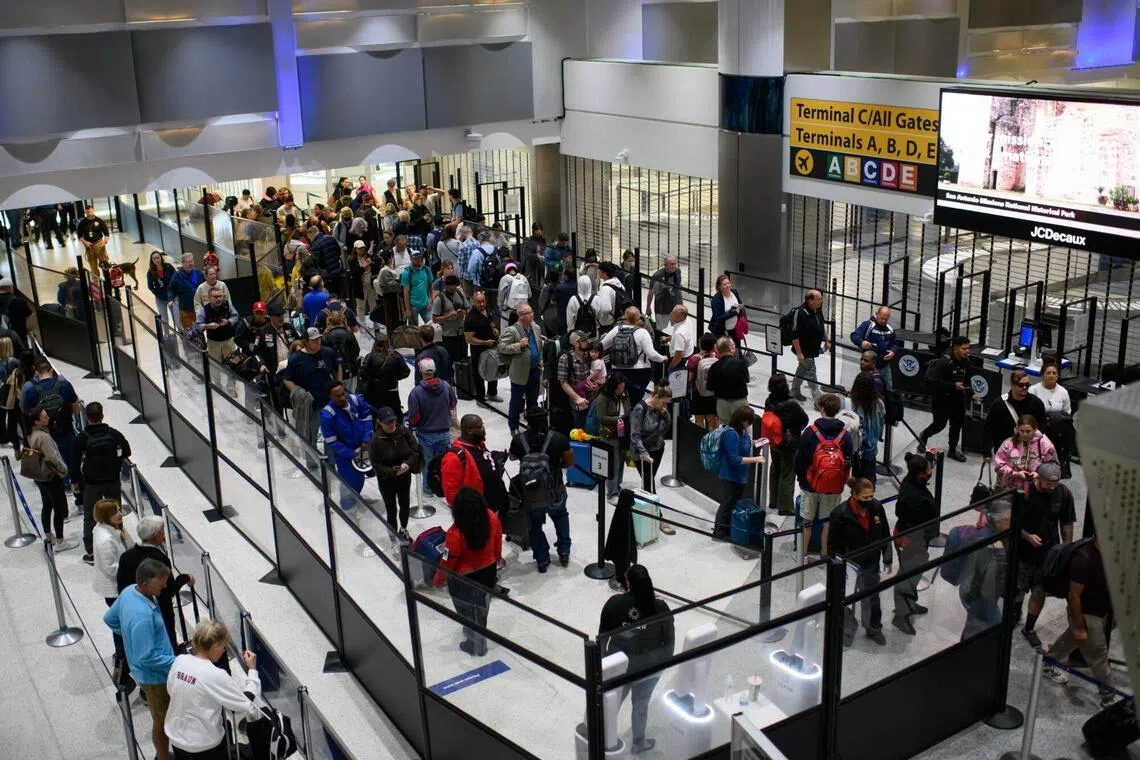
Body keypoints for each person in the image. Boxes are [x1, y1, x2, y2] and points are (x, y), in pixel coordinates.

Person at [598, 564, 675, 755]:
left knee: (611, 704)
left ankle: (602, 740)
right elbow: (669, 641)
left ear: (627, 582)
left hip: (618, 667)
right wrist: (661, 667)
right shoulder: (660, 607)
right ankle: (638, 743)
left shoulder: (614, 604)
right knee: (640, 706)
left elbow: (601, 638)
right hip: (647, 668)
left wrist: (604, 664)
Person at [104, 559, 176, 760]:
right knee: (161, 720)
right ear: (145, 583)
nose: (164, 586)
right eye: (161, 583)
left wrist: (130, 639)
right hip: (156, 676)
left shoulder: (129, 591)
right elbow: (147, 656)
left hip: (152, 668)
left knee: (161, 717)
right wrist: (177, 662)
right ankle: (162, 757)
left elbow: (109, 618)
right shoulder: (142, 615)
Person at [165, 619, 260, 760]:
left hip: (177, 739)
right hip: (205, 746)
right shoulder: (215, 674)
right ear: (215, 645)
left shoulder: (180, 661)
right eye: (223, 647)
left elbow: (171, 690)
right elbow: (244, 703)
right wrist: (252, 670)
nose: (223, 652)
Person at [1041, 534, 1119, 707]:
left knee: (1074, 639)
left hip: (1103, 608)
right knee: (1098, 654)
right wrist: (1079, 626)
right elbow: (1073, 596)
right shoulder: (1082, 560)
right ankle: (1109, 697)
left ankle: (1049, 661)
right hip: (1086, 612)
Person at [432, 487, 502, 656]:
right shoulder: (491, 518)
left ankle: (476, 645)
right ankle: (478, 634)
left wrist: (438, 580)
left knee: (466, 611)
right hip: (488, 571)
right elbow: (498, 541)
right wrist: (497, 558)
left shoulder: (455, 534)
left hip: (464, 579)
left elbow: (448, 563)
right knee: (482, 607)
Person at [822, 477, 892, 646]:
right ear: (854, 494)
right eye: (865, 497)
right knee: (846, 602)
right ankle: (846, 632)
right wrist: (836, 566)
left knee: (873, 598)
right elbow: (833, 544)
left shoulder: (876, 508)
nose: (869, 500)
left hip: (871, 563)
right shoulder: (839, 514)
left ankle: (873, 628)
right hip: (850, 566)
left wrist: (887, 557)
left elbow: (885, 533)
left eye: (871, 496)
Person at [1014, 462, 1074, 650]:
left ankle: (1029, 628)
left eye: (1055, 483)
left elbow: (1067, 524)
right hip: (1022, 552)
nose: (1052, 487)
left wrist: (1066, 551)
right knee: (1018, 589)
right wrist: (1027, 536)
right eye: (1048, 483)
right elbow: (1010, 521)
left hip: (1048, 554)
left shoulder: (1063, 494)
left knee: (1039, 592)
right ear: (1038, 478)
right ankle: (1014, 617)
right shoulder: (1024, 492)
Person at [509, 407, 574, 571]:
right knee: (560, 517)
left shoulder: (519, 440)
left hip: (531, 493)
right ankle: (564, 552)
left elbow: (512, 457)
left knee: (534, 526)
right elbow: (569, 462)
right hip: (555, 489)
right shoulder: (559, 439)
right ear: (546, 420)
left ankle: (542, 560)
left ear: (527, 422)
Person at [117, 516, 194, 651]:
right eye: (163, 530)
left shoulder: (126, 556)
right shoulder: (160, 559)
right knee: (168, 642)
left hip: (134, 611)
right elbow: (168, 590)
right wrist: (184, 578)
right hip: (161, 613)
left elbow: (121, 587)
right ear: (157, 535)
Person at [71, 402, 131, 560]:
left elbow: (74, 462)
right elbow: (127, 450)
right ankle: (119, 542)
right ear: (102, 416)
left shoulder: (82, 438)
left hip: (92, 483)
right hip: (112, 480)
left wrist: (74, 480)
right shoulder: (113, 434)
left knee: (90, 516)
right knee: (115, 512)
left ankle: (91, 551)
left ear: (86, 417)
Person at [795, 394, 854, 554]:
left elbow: (801, 460)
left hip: (810, 485)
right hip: (833, 486)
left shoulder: (810, 432)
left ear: (821, 408)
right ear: (837, 411)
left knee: (807, 522)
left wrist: (802, 480)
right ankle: (824, 553)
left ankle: (803, 555)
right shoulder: (845, 435)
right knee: (828, 522)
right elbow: (848, 461)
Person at [891, 453, 937, 635]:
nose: (931, 471)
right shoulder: (913, 497)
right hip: (911, 539)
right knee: (906, 576)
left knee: (914, 573)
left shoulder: (913, 481)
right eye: (928, 470)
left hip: (918, 538)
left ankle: (910, 602)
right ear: (920, 474)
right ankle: (900, 616)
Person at [92, 498, 136, 689]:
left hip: (118, 587)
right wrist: (130, 564)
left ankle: (122, 661)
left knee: (121, 630)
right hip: (114, 590)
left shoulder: (109, 530)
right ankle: (123, 675)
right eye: (115, 512)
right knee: (121, 632)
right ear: (105, 517)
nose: (120, 513)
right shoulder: (105, 540)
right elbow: (111, 568)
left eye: (118, 510)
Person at [24, 407, 78, 551]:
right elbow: (53, 457)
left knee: (47, 505)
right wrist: (64, 469)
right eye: (44, 416)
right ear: (37, 421)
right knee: (59, 508)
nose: (48, 418)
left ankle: (48, 535)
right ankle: (60, 541)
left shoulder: (31, 434)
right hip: (51, 477)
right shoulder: (43, 437)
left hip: (40, 476)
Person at [959, 501, 1010, 640]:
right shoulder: (989, 545)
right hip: (979, 596)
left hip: (977, 592)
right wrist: (1001, 556)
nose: (1011, 523)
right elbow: (989, 587)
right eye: (1008, 520)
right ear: (998, 521)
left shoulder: (994, 534)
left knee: (976, 626)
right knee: (979, 628)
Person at [370, 407, 423, 542]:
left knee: (405, 505)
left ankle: (403, 529)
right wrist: (393, 472)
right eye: (388, 422)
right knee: (391, 509)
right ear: (380, 422)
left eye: (393, 421)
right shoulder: (376, 440)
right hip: (387, 480)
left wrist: (407, 464)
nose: (391, 424)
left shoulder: (403, 432)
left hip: (404, 476)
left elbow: (415, 451)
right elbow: (376, 465)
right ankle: (393, 537)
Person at [917, 336, 973, 462]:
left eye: (968, 348)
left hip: (958, 399)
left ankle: (952, 451)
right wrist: (953, 385)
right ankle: (924, 436)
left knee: (957, 425)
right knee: (939, 425)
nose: (967, 351)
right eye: (964, 348)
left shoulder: (966, 362)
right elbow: (935, 382)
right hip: (942, 399)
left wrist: (971, 393)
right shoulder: (943, 362)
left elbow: (967, 380)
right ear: (956, 348)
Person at [408, 357, 457, 501]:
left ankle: (428, 490)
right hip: (444, 432)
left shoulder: (416, 393)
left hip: (426, 435)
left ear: (420, 371)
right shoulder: (447, 386)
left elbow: (413, 417)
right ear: (434, 370)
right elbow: (453, 404)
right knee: (445, 462)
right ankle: (443, 485)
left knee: (427, 465)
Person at [283, 328, 341, 447]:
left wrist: (338, 384)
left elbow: (338, 367)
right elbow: (287, 379)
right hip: (310, 406)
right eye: (314, 340)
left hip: (329, 403)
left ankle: (330, 463)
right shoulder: (296, 359)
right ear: (305, 341)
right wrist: (298, 392)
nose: (318, 342)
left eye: (319, 339)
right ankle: (312, 464)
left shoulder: (328, 352)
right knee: (310, 437)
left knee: (331, 435)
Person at [320, 380, 373, 511]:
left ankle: (356, 498)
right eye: (337, 396)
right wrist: (351, 454)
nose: (342, 398)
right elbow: (332, 442)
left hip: (363, 449)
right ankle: (347, 509)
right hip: (345, 456)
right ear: (330, 397)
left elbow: (367, 419)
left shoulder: (356, 401)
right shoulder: (327, 415)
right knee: (348, 482)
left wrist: (366, 439)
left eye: (343, 393)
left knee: (360, 478)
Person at [713, 406, 765, 539]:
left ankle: (729, 529)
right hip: (730, 476)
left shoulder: (743, 431)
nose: (750, 425)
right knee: (727, 504)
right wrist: (755, 459)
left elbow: (743, 444)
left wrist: (754, 443)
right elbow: (735, 459)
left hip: (740, 476)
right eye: (749, 422)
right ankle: (719, 532)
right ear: (742, 420)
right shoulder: (730, 433)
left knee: (733, 504)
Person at [602, 306, 666, 408]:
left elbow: (602, 346)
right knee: (635, 400)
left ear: (625, 317)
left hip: (618, 371)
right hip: (639, 372)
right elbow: (651, 354)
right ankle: (634, 417)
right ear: (639, 317)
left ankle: (622, 419)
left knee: (620, 400)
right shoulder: (642, 332)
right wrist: (662, 358)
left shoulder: (616, 330)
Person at [764, 374, 808, 516]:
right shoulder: (792, 404)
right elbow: (804, 419)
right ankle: (786, 506)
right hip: (789, 443)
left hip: (774, 441)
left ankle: (773, 501)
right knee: (787, 474)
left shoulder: (769, 401)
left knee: (775, 469)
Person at [498, 303, 543, 435]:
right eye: (529, 313)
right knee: (516, 401)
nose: (532, 315)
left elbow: (539, 346)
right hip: (519, 372)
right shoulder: (512, 330)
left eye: (532, 312)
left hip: (535, 370)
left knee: (533, 400)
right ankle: (513, 426)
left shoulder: (536, 328)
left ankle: (532, 424)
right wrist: (519, 345)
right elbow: (502, 347)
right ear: (521, 316)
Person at [984, 369, 1048, 461]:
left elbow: (1042, 427)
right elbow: (989, 428)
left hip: (1029, 452)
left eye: (1027, 385)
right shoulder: (999, 404)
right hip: (1005, 451)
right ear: (1012, 385)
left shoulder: (1037, 403)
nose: (1025, 387)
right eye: (1021, 385)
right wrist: (986, 452)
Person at [630, 385, 673, 507]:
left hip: (658, 449)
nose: (665, 406)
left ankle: (645, 509)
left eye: (667, 404)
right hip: (643, 453)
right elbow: (635, 436)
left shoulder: (661, 408)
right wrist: (644, 453)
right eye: (664, 403)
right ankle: (658, 516)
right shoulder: (640, 409)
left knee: (648, 481)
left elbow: (667, 426)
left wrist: (665, 414)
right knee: (649, 484)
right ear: (656, 397)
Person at [1031, 361, 1075, 477]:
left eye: (1054, 373)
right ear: (1042, 374)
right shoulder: (1034, 390)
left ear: (1058, 375)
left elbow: (1067, 412)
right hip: (1039, 432)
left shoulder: (1063, 392)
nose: (1051, 375)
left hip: (1057, 434)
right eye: (1048, 373)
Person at [994, 415, 1057, 496]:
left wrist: (1039, 474)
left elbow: (1054, 467)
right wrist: (1015, 473)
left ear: (1035, 430)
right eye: (1021, 431)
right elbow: (998, 465)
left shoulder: (1045, 444)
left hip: (1035, 490)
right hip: (1009, 490)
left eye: (1028, 431)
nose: (1024, 434)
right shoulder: (1009, 443)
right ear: (1017, 429)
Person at [595, 374, 632, 503]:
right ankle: (611, 494)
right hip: (609, 434)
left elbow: (628, 409)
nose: (621, 390)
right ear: (612, 387)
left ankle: (617, 487)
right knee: (613, 465)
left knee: (621, 462)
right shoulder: (602, 398)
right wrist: (619, 419)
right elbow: (601, 418)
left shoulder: (624, 394)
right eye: (619, 388)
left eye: (623, 387)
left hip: (623, 433)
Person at [789, 289, 830, 403]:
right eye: (819, 299)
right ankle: (819, 402)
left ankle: (794, 391)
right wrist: (799, 353)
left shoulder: (817, 310)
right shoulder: (800, 312)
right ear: (810, 300)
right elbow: (795, 335)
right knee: (812, 374)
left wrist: (826, 340)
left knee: (802, 370)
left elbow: (821, 326)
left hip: (813, 348)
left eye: (821, 299)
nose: (821, 301)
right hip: (804, 350)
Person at [358, 334, 409, 422]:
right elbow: (406, 372)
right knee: (394, 414)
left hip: (374, 392)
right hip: (391, 390)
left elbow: (362, 375)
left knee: (376, 415)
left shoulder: (370, 357)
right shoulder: (396, 356)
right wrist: (395, 377)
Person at [463, 290, 502, 403]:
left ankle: (492, 393)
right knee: (479, 373)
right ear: (473, 302)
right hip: (479, 350)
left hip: (492, 347)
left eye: (483, 301)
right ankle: (480, 398)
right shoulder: (471, 318)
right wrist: (484, 342)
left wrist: (496, 331)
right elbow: (469, 339)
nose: (481, 304)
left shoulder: (488, 310)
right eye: (479, 302)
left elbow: (492, 323)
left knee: (494, 369)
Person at [850, 306, 897, 392]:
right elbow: (854, 335)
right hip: (869, 368)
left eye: (886, 319)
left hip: (885, 366)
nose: (883, 321)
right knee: (867, 390)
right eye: (882, 318)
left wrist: (893, 351)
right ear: (877, 314)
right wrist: (862, 342)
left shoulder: (890, 329)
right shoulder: (868, 325)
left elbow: (893, 343)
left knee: (888, 390)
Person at [849, 371, 885, 481]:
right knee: (869, 478)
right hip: (872, 448)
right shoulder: (879, 403)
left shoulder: (853, 404)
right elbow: (881, 425)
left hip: (857, 449)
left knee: (857, 478)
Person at [708, 336, 750, 425]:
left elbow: (710, 387)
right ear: (731, 348)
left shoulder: (713, 367)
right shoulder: (741, 364)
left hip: (722, 403)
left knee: (725, 429)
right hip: (739, 402)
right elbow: (747, 379)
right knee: (743, 428)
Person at [433, 274, 471, 368]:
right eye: (450, 289)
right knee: (450, 364)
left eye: (454, 289)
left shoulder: (460, 294)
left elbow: (468, 309)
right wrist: (449, 316)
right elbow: (435, 319)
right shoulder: (439, 299)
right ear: (446, 286)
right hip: (448, 337)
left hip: (462, 336)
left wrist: (463, 312)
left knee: (463, 363)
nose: (453, 291)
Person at [195, 286, 240, 364]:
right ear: (209, 298)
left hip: (228, 341)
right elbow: (198, 325)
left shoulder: (227, 304)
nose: (219, 299)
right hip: (213, 343)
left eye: (220, 296)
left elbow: (235, 315)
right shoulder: (203, 310)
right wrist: (207, 326)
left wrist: (229, 321)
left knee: (232, 367)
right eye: (215, 297)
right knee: (215, 369)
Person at [687, 333, 719, 430]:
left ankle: (700, 442)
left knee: (699, 420)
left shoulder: (694, 359)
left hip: (698, 393)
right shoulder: (717, 357)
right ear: (714, 345)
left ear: (700, 344)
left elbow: (690, 378)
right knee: (712, 419)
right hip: (713, 394)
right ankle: (712, 442)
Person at [169, 254, 204, 330]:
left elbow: (205, 286)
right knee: (189, 331)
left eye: (191, 261)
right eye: (188, 262)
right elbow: (171, 288)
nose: (190, 264)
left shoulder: (198, 273)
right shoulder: (177, 276)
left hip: (198, 308)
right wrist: (171, 299)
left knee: (199, 329)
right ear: (183, 263)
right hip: (185, 309)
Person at [646, 256, 682, 327]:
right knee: (660, 328)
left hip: (675, 307)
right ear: (665, 265)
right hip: (661, 308)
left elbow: (678, 289)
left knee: (678, 327)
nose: (674, 266)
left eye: (675, 264)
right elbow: (651, 292)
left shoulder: (678, 271)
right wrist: (648, 306)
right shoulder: (657, 275)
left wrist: (681, 303)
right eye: (671, 264)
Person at [0, 338, 22, 449]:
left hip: (3, 395)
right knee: (17, 419)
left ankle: (10, 443)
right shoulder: (13, 361)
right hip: (13, 395)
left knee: (5, 420)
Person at [402, 250, 433, 325]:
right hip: (413, 306)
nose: (417, 259)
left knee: (431, 326)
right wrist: (408, 309)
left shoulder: (426, 269)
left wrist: (431, 301)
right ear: (411, 259)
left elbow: (431, 286)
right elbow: (406, 292)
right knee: (413, 330)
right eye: (415, 258)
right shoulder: (407, 272)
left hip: (426, 304)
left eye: (419, 257)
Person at [595, 263, 627, 333]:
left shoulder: (606, 289)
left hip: (608, 324)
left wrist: (599, 318)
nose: (599, 273)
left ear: (604, 273)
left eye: (600, 271)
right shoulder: (620, 285)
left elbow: (605, 309)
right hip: (618, 320)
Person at [566, 274, 599, 339]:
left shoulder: (573, 299)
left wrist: (570, 333)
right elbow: (599, 318)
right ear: (590, 285)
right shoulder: (596, 299)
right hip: (593, 335)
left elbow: (570, 321)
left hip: (578, 337)